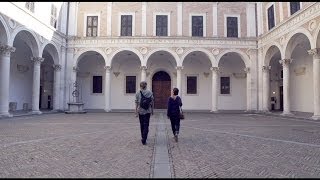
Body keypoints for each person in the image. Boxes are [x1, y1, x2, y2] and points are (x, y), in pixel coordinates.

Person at [135, 81, 154, 145]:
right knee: (146, 125)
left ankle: (143, 137)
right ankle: (144, 139)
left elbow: (136, 102)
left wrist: (136, 111)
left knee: (142, 124)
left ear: (140, 86)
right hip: (147, 111)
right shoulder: (149, 92)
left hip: (140, 111)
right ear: (146, 86)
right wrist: (152, 110)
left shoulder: (138, 92)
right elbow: (152, 102)